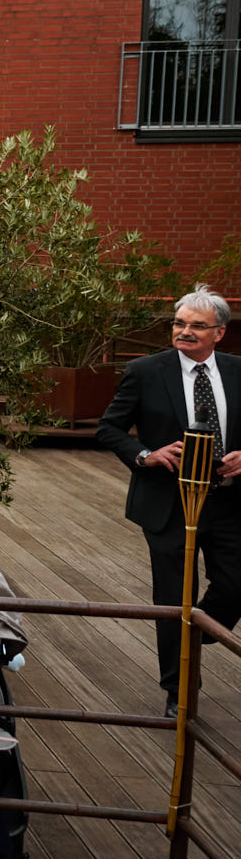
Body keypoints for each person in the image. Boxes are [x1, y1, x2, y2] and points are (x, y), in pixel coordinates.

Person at [97, 288, 241, 715]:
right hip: (168, 501)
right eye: (179, 323)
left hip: (229, 502)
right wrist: (147, 455)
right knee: (175, 598)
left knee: (235, 585)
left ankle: (195, 632)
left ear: (219, 332)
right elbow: (109, 429)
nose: (184, 332)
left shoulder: (237, 371)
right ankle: (180, 693)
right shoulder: (145, 371)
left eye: (197, 326)